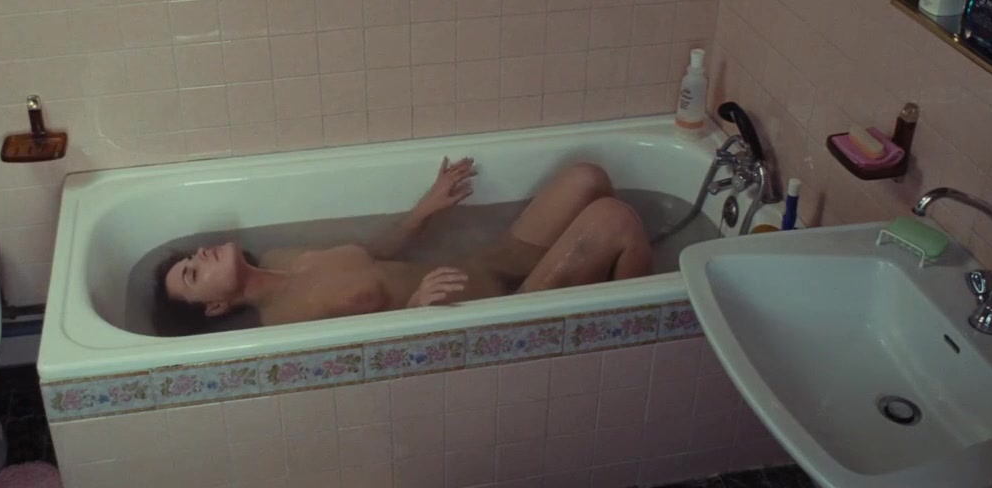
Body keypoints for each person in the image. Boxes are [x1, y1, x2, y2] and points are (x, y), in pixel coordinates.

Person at [155, 158, 652, 331]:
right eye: (192, 274)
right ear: (216, 307)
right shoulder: (286, 321)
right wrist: (414, 311)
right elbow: (375, 367)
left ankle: (604, 280)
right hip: (505, 309)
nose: (200, 256)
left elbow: (376, 254)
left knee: (586, 178)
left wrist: (424, 209)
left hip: (487, 266)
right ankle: (636, 329)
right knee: (611, 218)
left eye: (191, 259)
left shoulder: (282, 256)